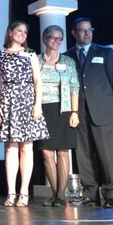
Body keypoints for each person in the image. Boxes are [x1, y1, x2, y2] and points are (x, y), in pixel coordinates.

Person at [65, 17, 113, 208]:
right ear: (74, 33)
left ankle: (111, 194)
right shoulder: (68, 55)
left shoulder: (105, 52)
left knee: (107, 155)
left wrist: (101, 99)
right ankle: (90, 193)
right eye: (82, 30)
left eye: (90, 29)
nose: (87, 33)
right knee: (84, 154)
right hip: (78, 111)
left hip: (101, 111)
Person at [0, 21, 49, 207]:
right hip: (7, 102)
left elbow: (38, 80)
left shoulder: (30, 54)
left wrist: (37, 104)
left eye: (25, 32)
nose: (22, 34)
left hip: (27, 102)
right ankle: (11, 192)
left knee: (27, 148)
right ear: (10, 33)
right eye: (19, 31)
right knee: (10, 148)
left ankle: (24, 192)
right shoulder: (0, 55)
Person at [37, 25, 79, 207]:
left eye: (59, 38)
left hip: (63, 110)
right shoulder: (36, 60)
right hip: (40, 110)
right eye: (52, 38)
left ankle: (61, 195)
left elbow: (74, 87)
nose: (56, 41)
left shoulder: (68, 62)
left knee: (62, 152)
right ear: (45, 39)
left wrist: (75, 112)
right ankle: (54, 194)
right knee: (46, 153)